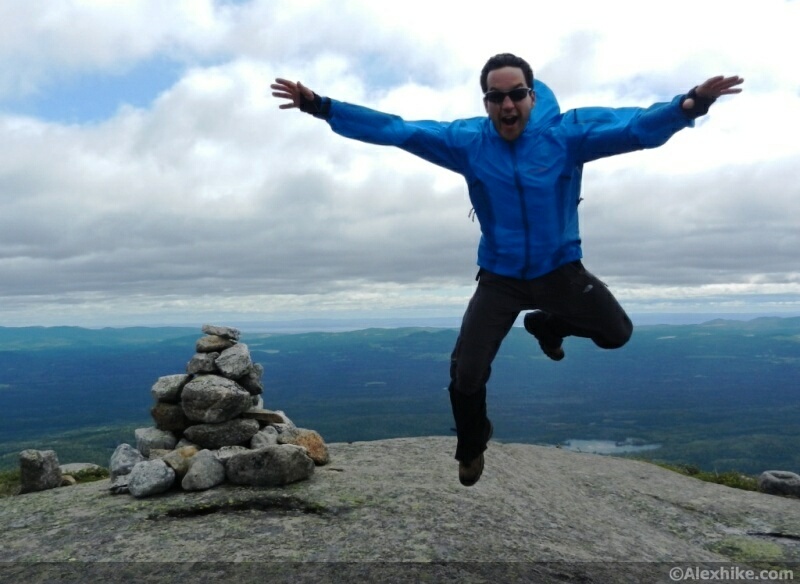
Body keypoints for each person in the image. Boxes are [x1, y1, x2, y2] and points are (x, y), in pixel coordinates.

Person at [271, 53, 743, 487]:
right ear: (487, 102)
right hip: (500, 276)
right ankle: (472, 445)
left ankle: (546, 323)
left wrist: (688, 105)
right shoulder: (467, 142)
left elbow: (636, 128)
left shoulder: (565, 136)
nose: (507, 103)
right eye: (496, 96)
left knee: (617, 331)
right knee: (466, 373)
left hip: (559, 269)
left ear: (532, 97)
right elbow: (398, 129)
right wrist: (323, 107)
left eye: (516, 93)